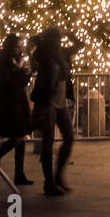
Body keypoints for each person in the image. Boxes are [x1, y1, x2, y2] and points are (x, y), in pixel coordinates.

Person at [30, 27, 75, 197]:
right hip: (48, 102)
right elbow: (35, 56)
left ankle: (58, 176)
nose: (59, 41)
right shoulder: (44, 54)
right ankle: (49, 182)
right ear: (50, 40)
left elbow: (80, 45)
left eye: (59, 38)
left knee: (69, 137)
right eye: (56, 38)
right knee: (47, 142)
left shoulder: (62, 53)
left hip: (60, 102)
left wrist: (69, 33)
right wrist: (38, 40)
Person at [0, 34, 33, 185]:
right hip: (10, 104)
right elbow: (10, 81)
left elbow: (20, 81)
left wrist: (24, 73)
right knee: (17, 137)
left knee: (21, 137)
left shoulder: (13, 60)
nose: (19, 49)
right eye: (17, 46)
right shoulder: (4, 61)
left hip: (18, 102)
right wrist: (21, 70)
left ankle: (19, 173)